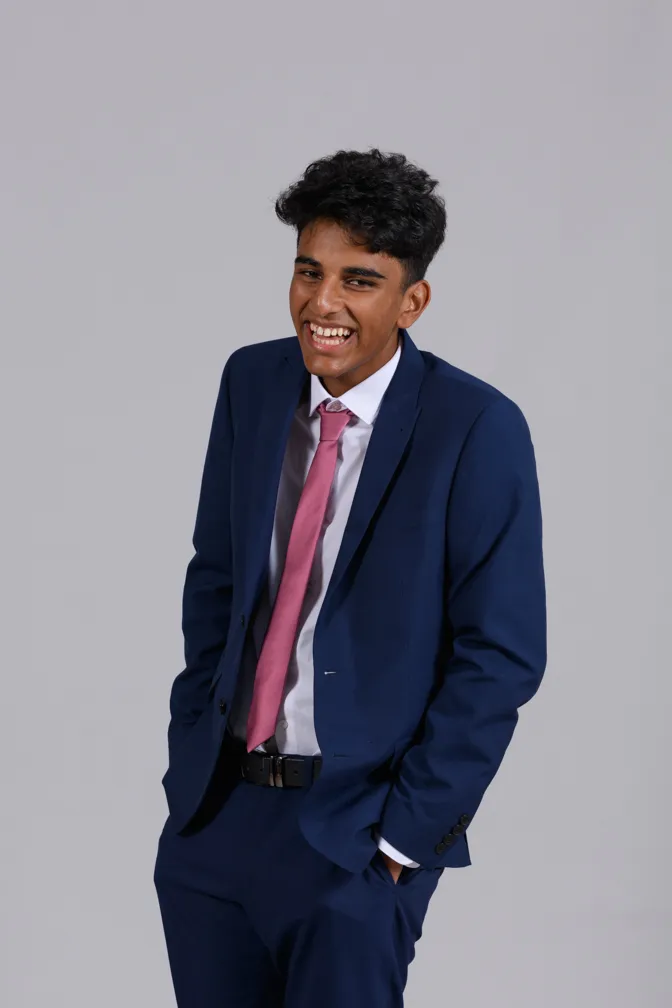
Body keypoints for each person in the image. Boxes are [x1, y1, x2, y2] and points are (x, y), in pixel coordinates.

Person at [153, 148, 547, 1007]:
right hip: (217, 818)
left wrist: (403, 842)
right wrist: (193, 748)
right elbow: (216, 578)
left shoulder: (474, 426)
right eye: (308, 271)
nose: (322, 304)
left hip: (353, 835)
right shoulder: (252, 382)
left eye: (358, 281)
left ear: (413, 301)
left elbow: (502, 654)